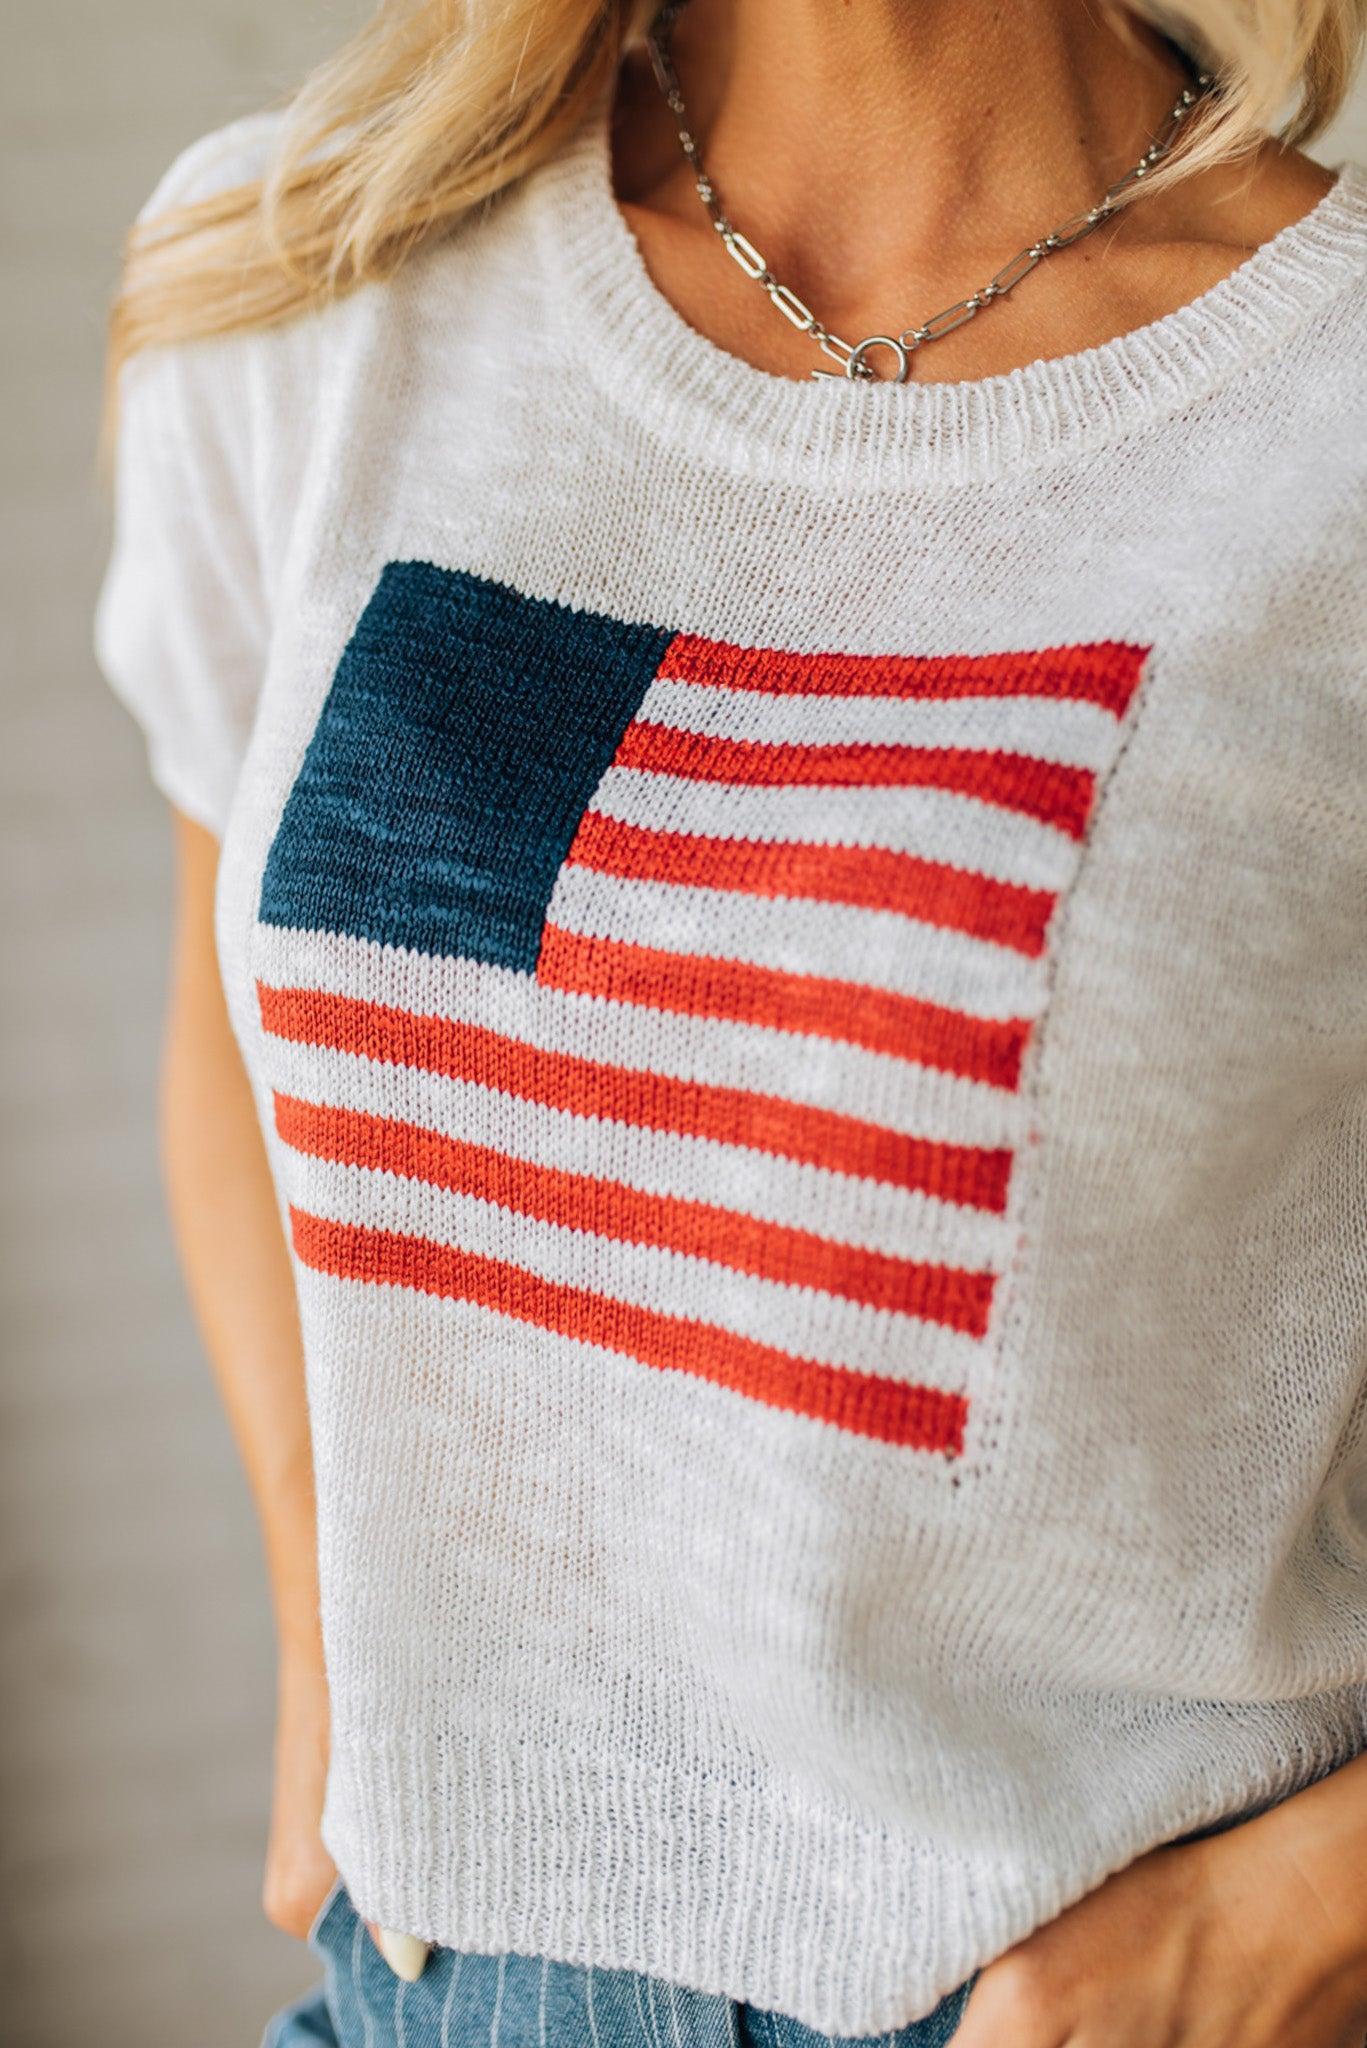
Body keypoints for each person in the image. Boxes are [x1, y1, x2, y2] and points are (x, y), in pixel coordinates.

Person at [94, 0, 1367, 2041]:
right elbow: (232, 1023)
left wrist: (1288, 1922)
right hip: (441, 1986)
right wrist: (336, 1608)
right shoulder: (307, 280)